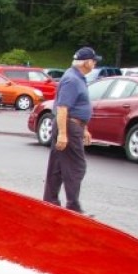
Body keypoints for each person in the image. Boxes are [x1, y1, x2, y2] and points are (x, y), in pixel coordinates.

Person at [43, 46, 101, 214]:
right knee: (76, 167)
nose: (95, 62)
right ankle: (73, 208)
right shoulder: (72, 80)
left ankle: (50, 204)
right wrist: (63, 133)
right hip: (68, 126)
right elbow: (62, 108)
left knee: (58, 167)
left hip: (72, 125)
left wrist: (84, 128)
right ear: (86, 62)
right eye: (93, 60)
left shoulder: (78, 78)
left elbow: (77, 107)